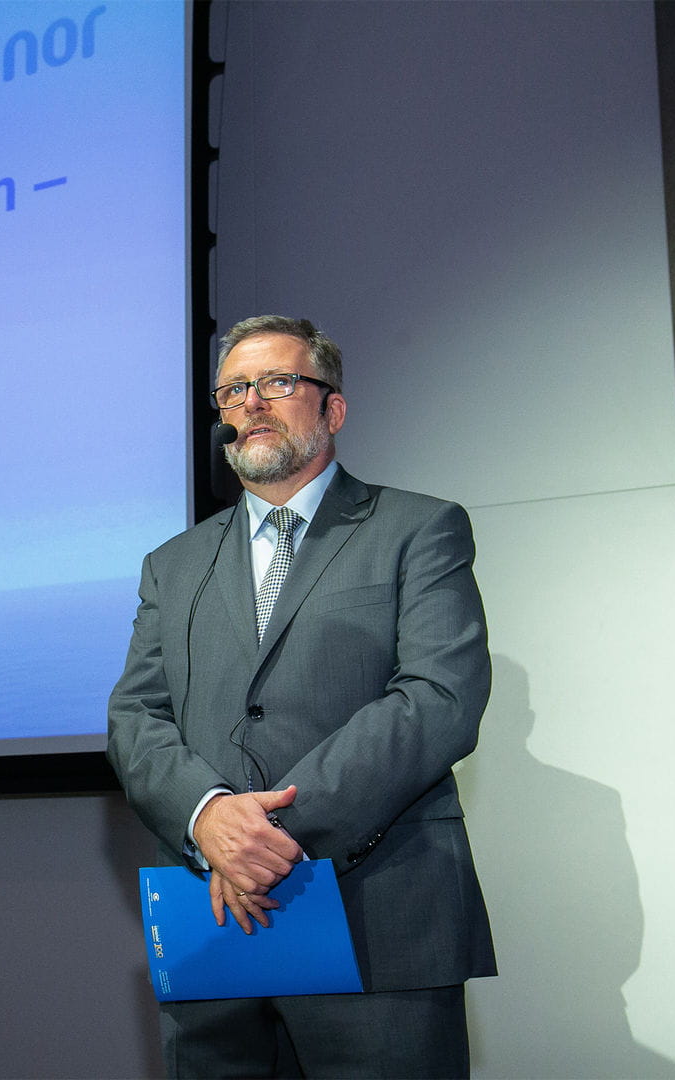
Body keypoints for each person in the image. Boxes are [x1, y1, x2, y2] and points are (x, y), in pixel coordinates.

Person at [107, 316, 496, 1078]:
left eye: (277, 382)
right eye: (233, 390)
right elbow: (134, 717)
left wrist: (262, 835)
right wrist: (206, 816)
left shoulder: (418, 529)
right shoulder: (170, 564)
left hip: (376, 921)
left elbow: (438, 698)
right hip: (211, 930)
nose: (252, 402)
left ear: (332, 408)